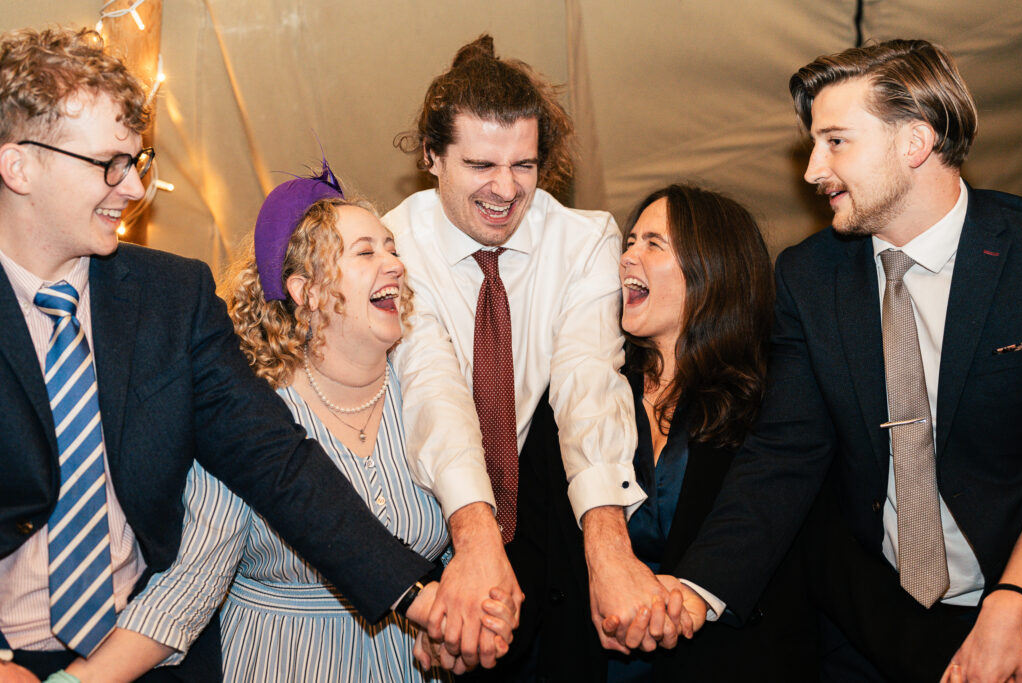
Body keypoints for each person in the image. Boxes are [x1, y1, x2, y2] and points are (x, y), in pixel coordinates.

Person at [0, 26, 491, 683]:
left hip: (150, 657)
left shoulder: (172, 295)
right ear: (19, 164)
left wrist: (419, 598)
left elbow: (276, 461)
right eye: (108, 164)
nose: (133, 189)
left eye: (137, 163)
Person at [54, 170, 515, 683]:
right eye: (366, 252)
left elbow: (462, 554)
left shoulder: (430, 400)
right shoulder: (249, 414)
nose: (396, 264)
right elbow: (188, 587)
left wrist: (459, 629)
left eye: (392, 248)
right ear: (307, 290)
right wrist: (78, 680)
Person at [674, 39, 1022, 682]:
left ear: (914, 142)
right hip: (868, 628)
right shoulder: (809, 276)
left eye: (836, 141)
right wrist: (698, 588)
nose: (811, 169)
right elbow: (783, 452)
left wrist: (1014, 603)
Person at [384, 34, 695, 679]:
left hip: (536, 528)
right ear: (431, 156)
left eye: (523, 165)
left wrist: (608, 553)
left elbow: (589, 386)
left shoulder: (584, 240)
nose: (505, 189)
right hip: (412, 521)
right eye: (481, 166)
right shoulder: (393, 242)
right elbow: (430, 385)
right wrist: (471, 547)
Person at [603, 183, 817, 681]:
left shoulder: (769, 400)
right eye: (628, 242)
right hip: (604, 656)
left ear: (712, 270)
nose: (627, 257)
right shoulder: (596, 388)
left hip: (722, 658)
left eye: (653, 244)